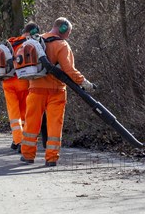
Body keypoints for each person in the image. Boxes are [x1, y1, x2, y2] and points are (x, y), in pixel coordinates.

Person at [20, 17, 94, 166]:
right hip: (56, 91)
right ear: (63, 29)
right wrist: (85, 83)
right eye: (69, 32)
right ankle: (51, 158)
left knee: (31, 123)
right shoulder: (62, 45)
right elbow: (69, 70)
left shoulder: (36, 41)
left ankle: (27, 155)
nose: (68, 35)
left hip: (35, 88)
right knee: (55, 124)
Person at [3, 21, 40, 153]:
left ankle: (17, 140)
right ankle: (21, 141)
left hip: (7, 82)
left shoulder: (10, 42)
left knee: (14, 114)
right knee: (24, 113)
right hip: (23, 81)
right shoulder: (31, 43)